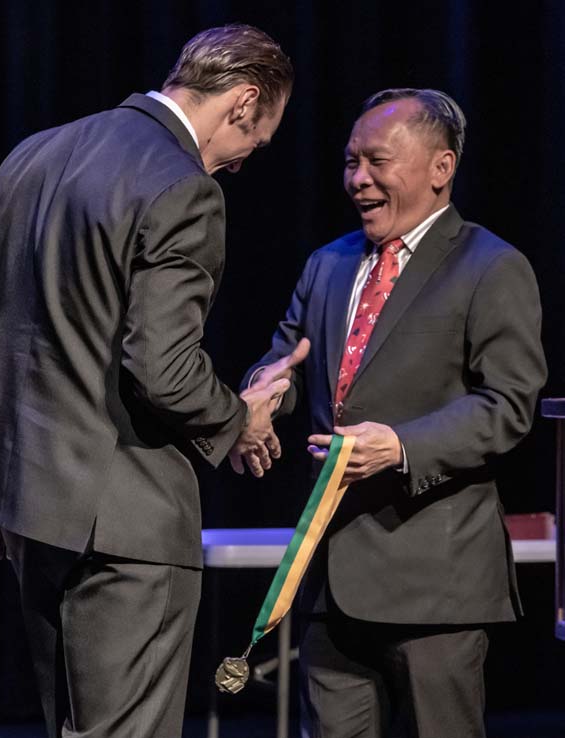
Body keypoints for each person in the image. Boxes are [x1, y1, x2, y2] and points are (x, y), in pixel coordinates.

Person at [0, 24, 301, 738]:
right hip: (127, 521)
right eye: (253, 144)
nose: (239, 165)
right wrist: (239, 419)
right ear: (242, 100)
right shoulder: (181, 186)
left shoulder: (33, 155)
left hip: (31, 510)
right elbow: (160, 368)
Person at [240, 89, 547, 737]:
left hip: (436, 581)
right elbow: (284, 362)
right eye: (350, 162)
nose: (358, 179)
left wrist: (400, 446)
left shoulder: (490, 267)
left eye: (376, 161)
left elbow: (508, 406)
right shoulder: (327, 264)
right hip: (330, 579)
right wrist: (262, 397)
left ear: (440, 168)